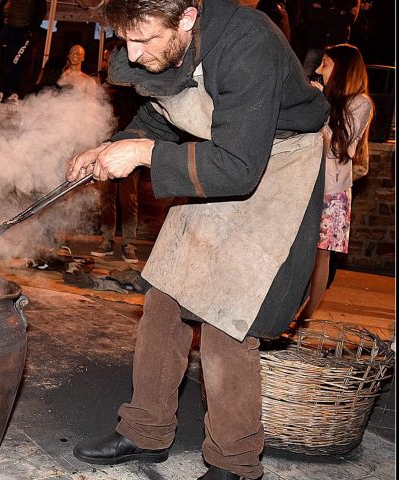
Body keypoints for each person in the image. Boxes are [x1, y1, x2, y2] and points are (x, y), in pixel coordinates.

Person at [66, 0, 329, 478]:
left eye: (144, 39)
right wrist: (112, 146)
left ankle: (234, 461)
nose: (134, 52)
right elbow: (160, 113)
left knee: (226, 319)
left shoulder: (247, 41)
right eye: (126, 39)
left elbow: (241, 166)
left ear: (186, 16)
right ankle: (146, 431)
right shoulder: (163, 44)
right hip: (218, 156)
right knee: (164, 300)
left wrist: (144, 154)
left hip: (272, 166)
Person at [300, 44, 373, 319]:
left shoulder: (360, 103)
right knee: (301, 251)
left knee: (321, 255)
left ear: (342, 70)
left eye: (326, 64)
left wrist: (319, 106)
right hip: (309, 185)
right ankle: (292, 313)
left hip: (332, 191)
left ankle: (306, 320)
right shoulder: (330, 101)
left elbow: (336, 147)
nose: (319, 70)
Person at [91, 46, 141, 263]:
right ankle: (107, 240)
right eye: (104, 59)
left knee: (128, 199)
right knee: (106, 198)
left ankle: (129, 243)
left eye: (108, 59)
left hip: (129, 147)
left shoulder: (133, 86)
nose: (105, 63)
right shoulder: (101, 86)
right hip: (104, 146)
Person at [0, 0, 47, 103]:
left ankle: (14, 92)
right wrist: (0, 29)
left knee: (17, 61)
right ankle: (2, 91)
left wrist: (32, 30)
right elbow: (3, 6)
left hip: (24, 30)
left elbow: (42, 9)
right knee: (4, 61)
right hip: (8, 28)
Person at [300, 0, 360, 76]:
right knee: (306, 77)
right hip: (317, 43)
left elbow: (350, 18)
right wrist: (338, 11)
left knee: (334, 79)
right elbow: (313, 14)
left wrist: (324, 11)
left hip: (336, 46)